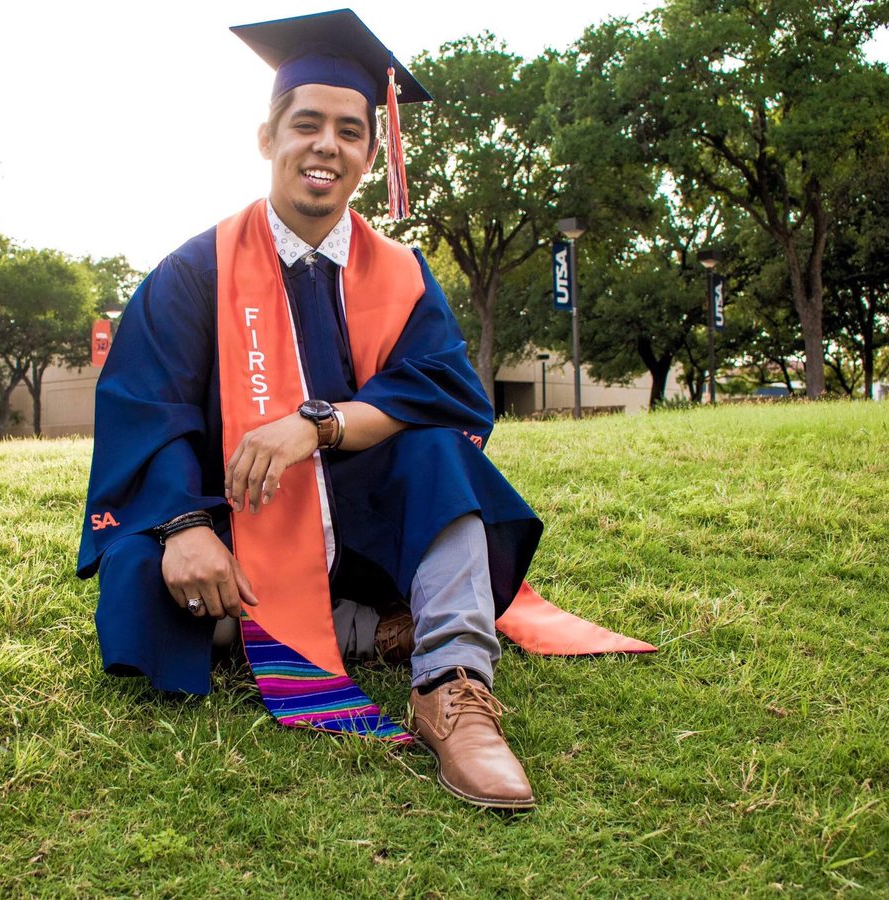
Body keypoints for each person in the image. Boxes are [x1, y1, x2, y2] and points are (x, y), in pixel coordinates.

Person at [79, 10, 546, 810]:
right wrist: (184, 528)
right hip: (233, 516)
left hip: (360, 516)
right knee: (152, 591)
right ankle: (367, 629)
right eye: (306, 125)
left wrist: (317, 424)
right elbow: (145, 407)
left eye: (348, 130)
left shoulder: (399, 272)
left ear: (372, 151)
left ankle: (453, 684)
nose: (326, 145)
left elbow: (444, 389)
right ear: (267, 138)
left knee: (442, 457)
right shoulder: (196, 270)